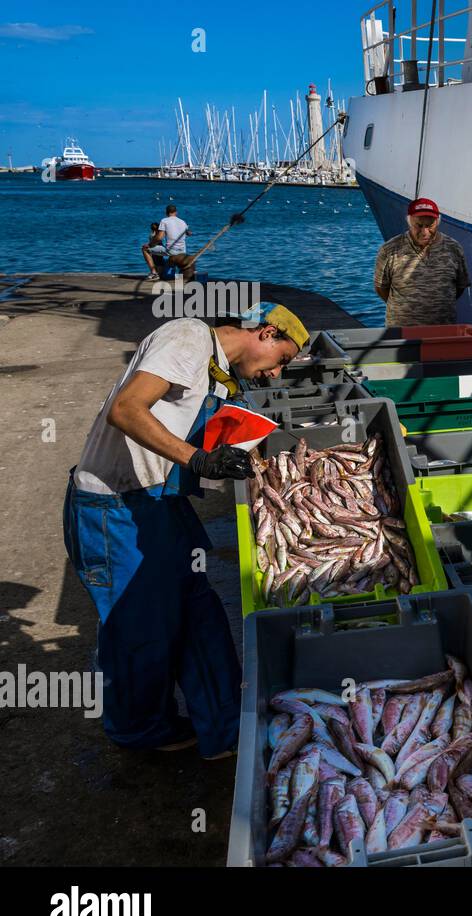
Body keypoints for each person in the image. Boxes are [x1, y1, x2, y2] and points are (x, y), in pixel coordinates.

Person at [63, 302, 308, 759]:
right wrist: (197, 459)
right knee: (140, 627)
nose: (277, 375)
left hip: (161, 501)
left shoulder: (222, 376)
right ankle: (139, 731)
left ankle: (225, 730)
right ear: (267, 333)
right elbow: (126, 408)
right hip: (112, 506)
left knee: (200, 613)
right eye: (283, 360)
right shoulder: (188, 337)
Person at [373, 197, 470, 326]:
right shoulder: (389, 250)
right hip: (401, 332)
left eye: (430, 226)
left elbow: (460, 286)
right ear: (409, 222)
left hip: (443, 332)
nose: (424, 232)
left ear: (437, 222)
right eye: (419, 226)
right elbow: (381, 288)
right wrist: (405, 308)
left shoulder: (454, 248)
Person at [159, 203, 197, 281]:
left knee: (146, 249)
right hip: (182, 251)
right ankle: (177, 277)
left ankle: (154, 273)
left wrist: (151, 244)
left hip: (171, 251)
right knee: (177, 261)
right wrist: (188, 232)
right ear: (176, 212)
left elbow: (160, 237)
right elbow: (189, 233)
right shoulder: (183, 222)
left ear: (166, 213)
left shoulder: (164, 221)